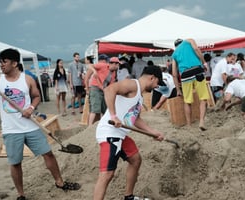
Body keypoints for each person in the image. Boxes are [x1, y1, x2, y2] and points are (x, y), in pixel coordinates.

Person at [0, 48, 80, 200]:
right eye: (0, 62)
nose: (1, 65)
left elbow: (37, 96)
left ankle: (59, 182)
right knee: (15, 163)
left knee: (48, 154)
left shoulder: (27, 80)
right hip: (11, 130)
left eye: (4, 62)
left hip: (31, 126)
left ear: (14, 63)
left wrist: (31, 108)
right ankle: (21, 195)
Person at [93, 65, 165, 200]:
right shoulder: (132, 84)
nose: (156, 86)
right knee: (107, 174)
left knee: (135, 160)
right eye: (157, 83)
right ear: (152, 77)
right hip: (110, 133)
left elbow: (135, 118)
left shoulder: (139, 97)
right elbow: (109, 89)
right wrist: (113, 116)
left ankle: (129, 197)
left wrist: (153, 132)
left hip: (120, 134)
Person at [172, 38, 209, 130]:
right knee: (203, 98)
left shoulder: (174, 53)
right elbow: (196, 49)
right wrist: (204, 62)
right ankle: (201, 122)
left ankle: (189, 125)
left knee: (187, 101)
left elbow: (174, 74)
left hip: (185, 75)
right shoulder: (189, 40)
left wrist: (178, 89)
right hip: (197, 71)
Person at [88, 55, 119, 125]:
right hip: (95, 88)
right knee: (95, 109)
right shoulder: (103, 65)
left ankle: (102, 124)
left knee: (104, 109)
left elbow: (111, 83)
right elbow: (90, 65)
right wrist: (94, 71)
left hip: (104, 89)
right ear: (113, 64)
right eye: (117, 64)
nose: (118, 66)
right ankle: (89, 127)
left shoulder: (114, 72)